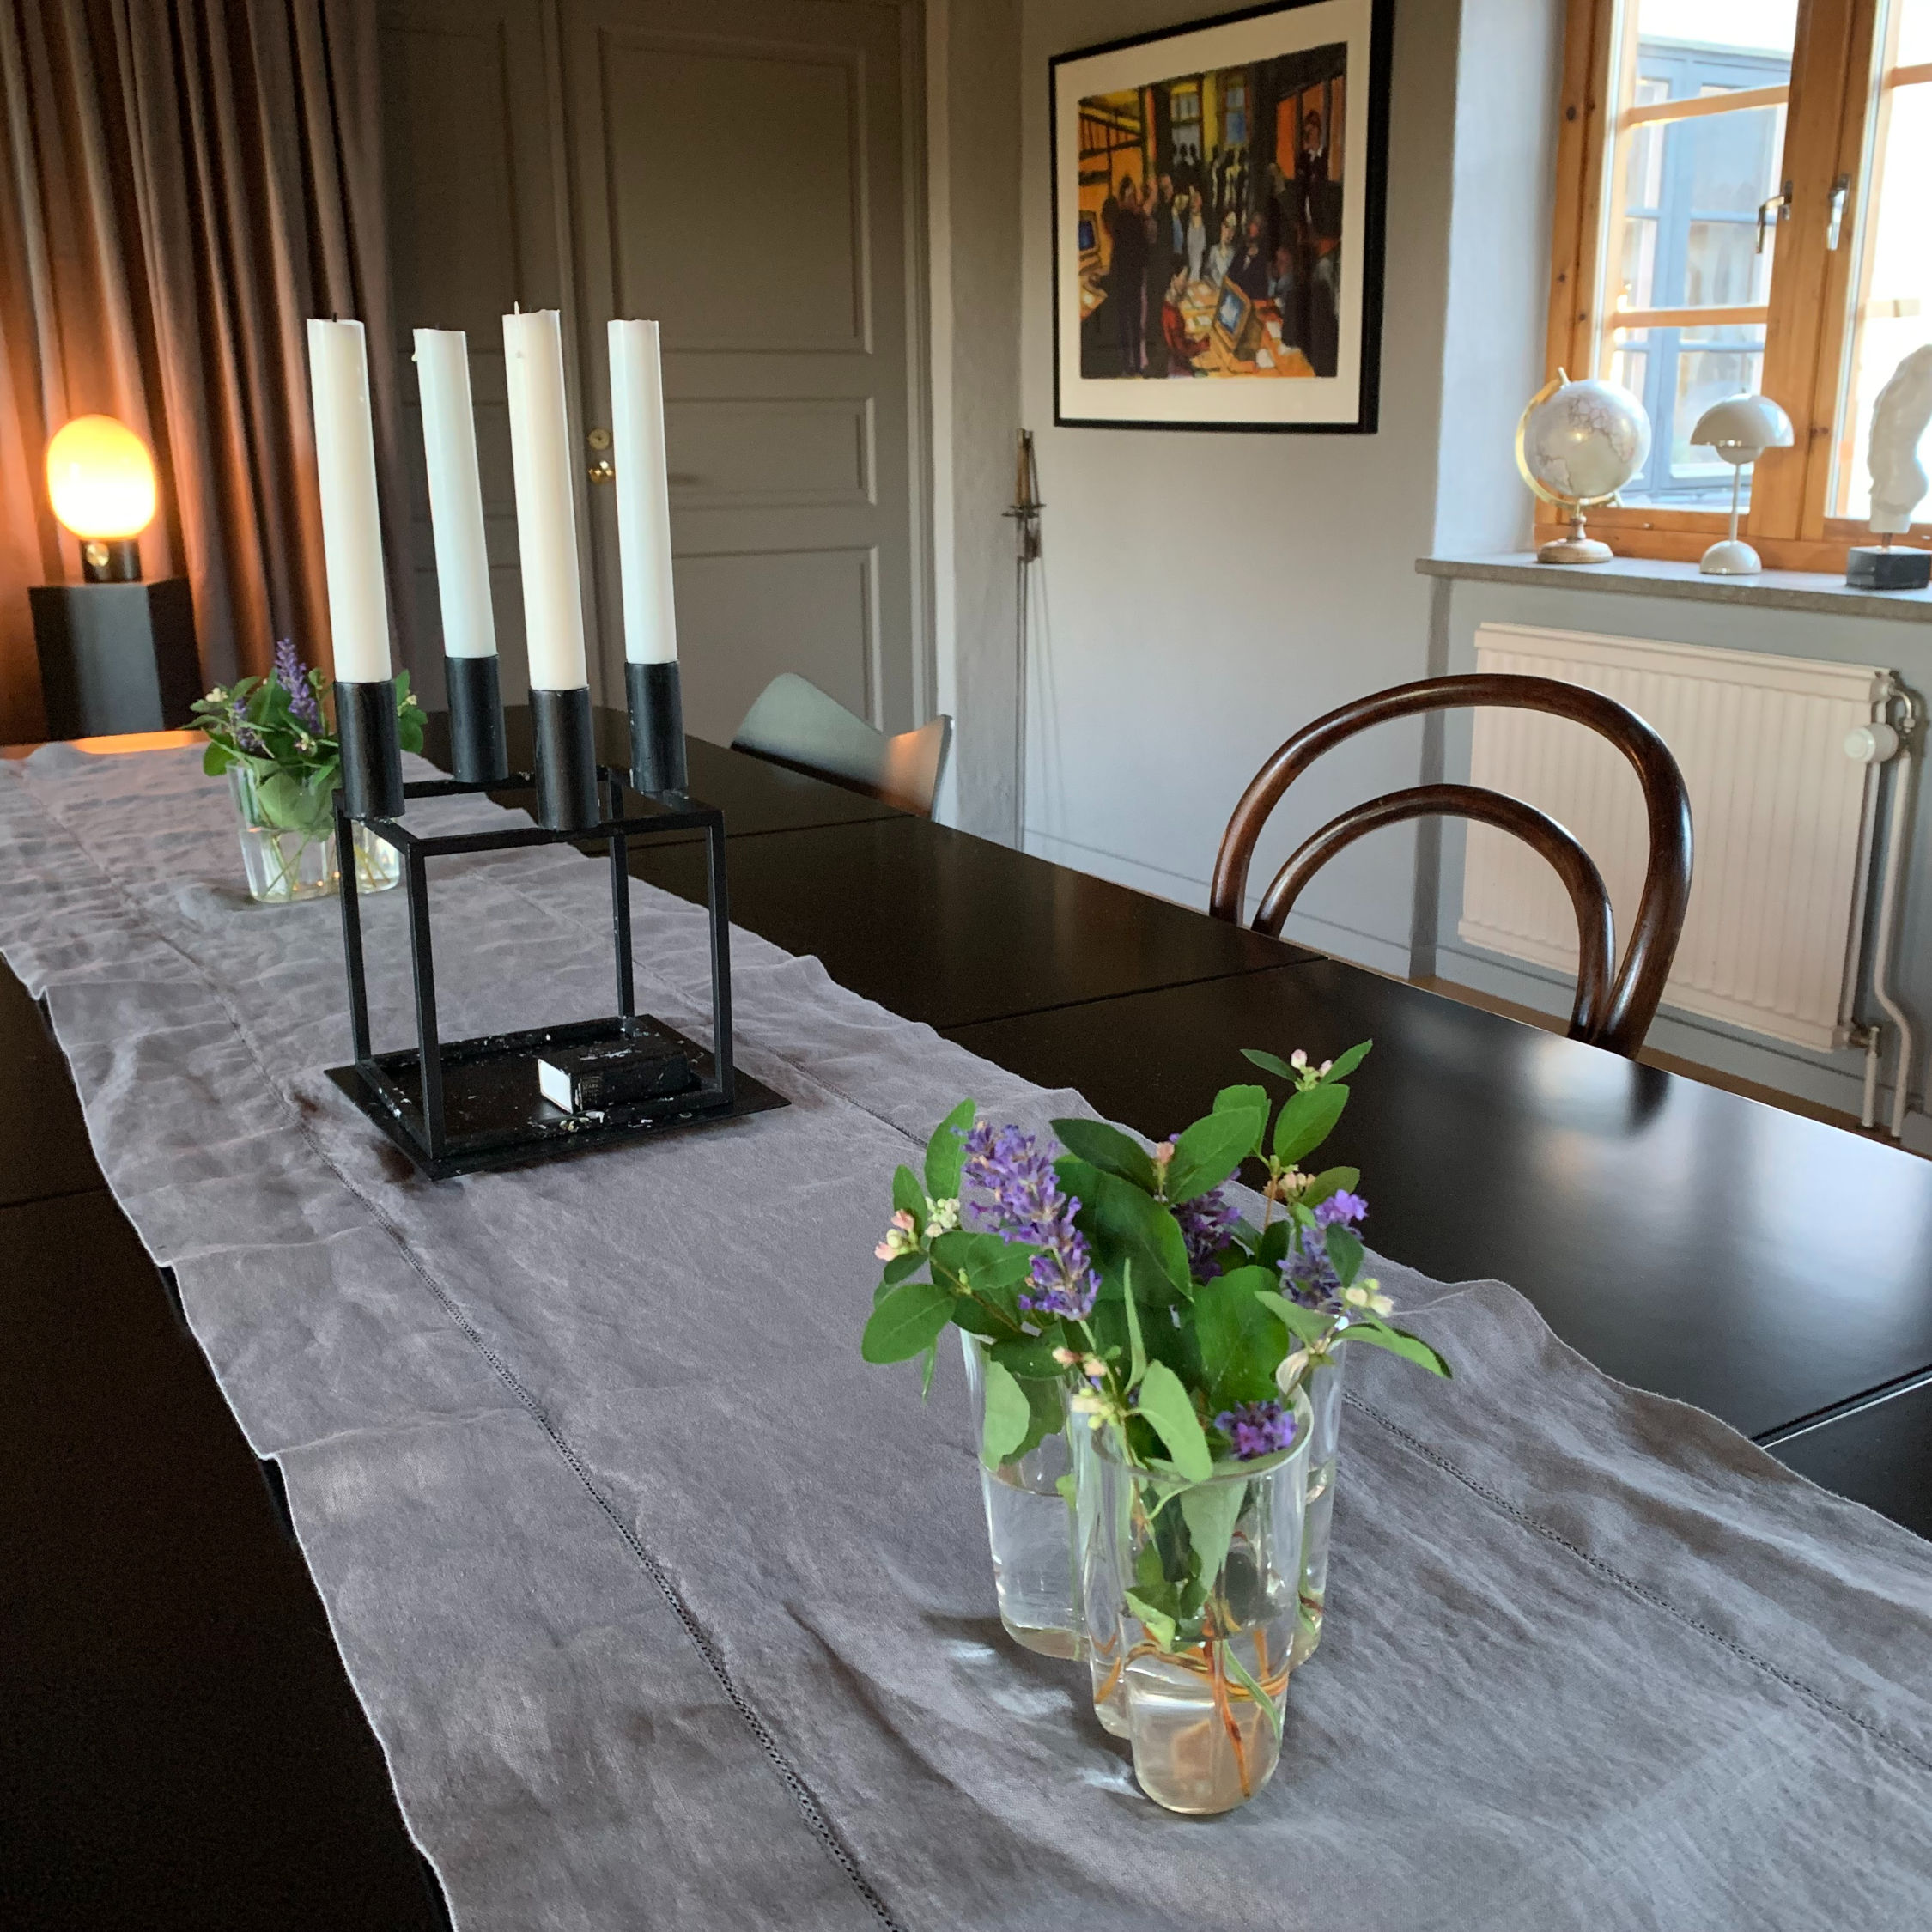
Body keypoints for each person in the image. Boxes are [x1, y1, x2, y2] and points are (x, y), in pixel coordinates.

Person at [1107, 176, 1149, 374]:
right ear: (1123, 198)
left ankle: (1130, 366)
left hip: (1129, 279)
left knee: (1130, 324)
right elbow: (1140, 253)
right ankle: (1131, 366)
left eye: (1134, 195)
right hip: (1127, 280)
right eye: (1130, 196)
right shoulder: (1129, 220)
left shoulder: (1124, 221)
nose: (1133, 199)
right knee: (1129, 323)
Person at [1161, 265, 1205, 373]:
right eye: (1184, 278)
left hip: (1176, 361)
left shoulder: (1168, 304)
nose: (1187, 283)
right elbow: (1183, 350)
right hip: (1179, 368)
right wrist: (1203, 345)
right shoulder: (1172, 314)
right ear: (1173, 279)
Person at [1230, 216, 1270, 301]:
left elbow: (1259, 290)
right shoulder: (1241, 251)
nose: (1252, 228)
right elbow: (1231, 273)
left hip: (1249, 301)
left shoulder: (1261, 259)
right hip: (1234, 296)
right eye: (1252, 224)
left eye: (1256, 226)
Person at [1203, 208, 1238, 289]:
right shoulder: (1214, 250)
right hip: (1213, 293)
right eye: (1226, 227)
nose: (1228, 233)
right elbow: (1206, 274)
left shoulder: (1235, 255)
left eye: (1232, 230)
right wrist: (1212, 286)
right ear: (1221, 227)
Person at [1184, 190, 1207, 284]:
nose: (1193, 202)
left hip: (1200, 275)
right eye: (1192, 198)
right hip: (1186, 274)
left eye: (1196, 199)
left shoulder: (1207, 223)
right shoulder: (1185, 222)